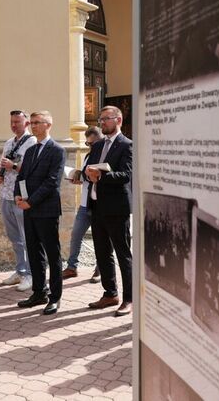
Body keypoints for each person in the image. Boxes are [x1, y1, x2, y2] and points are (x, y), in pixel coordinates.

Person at [14, 111, 66, 315]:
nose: (33, 126)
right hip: (29, 209)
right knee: (34, 253)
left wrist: (31, 202)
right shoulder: (30, 150)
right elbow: (22, 177)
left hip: (46, 210)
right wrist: (18, 196)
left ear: (48, 125)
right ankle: (39, 292)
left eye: (37, 123)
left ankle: (55, 297)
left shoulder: (57, 150)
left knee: (52, 254)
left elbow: (52, 182)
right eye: (31, 123)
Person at [84, 106, 134, 316]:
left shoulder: (127, 145)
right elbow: (90, 171)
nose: (102, 122)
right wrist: (86, 175)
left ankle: (129, 299)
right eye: (101, 119)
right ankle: (110, 293)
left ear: (119, 120)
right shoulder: (97, 146)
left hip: (116, 208)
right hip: (97, 207)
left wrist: (101, 176)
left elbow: (126, 175)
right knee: (102, 253)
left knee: (123, 254)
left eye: (107, 119)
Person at [0, 110, 36, 292]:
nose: (13, 125)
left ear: (26, 123)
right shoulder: (10, 142)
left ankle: (31, 275)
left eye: (17, 122)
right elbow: (4, 166)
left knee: (27, 237)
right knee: (15, 237)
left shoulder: (32, 142)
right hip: (6, 194)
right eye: (12, 122)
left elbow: (31, 169)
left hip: (21, 196)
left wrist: (13, 166)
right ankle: (20, 270)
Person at [63, 126, 104, 282]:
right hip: (85, 204)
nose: (90, 147)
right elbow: (86, 178)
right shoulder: (88, 156)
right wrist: (77, 178)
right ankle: (72, 267)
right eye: (87, 144)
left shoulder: (106, 157)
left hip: (100, 205)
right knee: (76, 235)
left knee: (100, 239)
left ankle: (99, 269)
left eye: (92, 143)